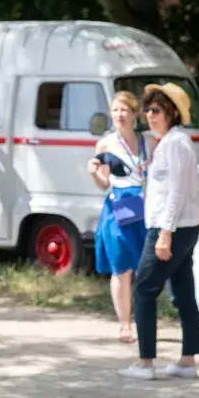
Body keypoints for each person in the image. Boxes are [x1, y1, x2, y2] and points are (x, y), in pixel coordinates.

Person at [121, 83, 199, 380]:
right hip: (178, 227)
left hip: (170, 228)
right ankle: (187, 361)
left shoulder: (175, 143)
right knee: (183, 293)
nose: (149, 115)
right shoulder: (171, 142)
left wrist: (165, 233)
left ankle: (145, 363)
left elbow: (178, 192)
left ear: (171, 112)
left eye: (155, 110)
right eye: (147, 110)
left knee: (144, 288)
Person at [88, 91, 150, 344]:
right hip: (120, 209)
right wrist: (92, 172)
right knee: (121, 267)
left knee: (145, 269)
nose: (119, 115)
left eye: (124, 109)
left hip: (146, 208)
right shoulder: (105, 144)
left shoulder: (149, 142)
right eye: (115, 110)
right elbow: (103, 183)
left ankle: (145, 318)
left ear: (135, 113)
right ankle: (125, 324)